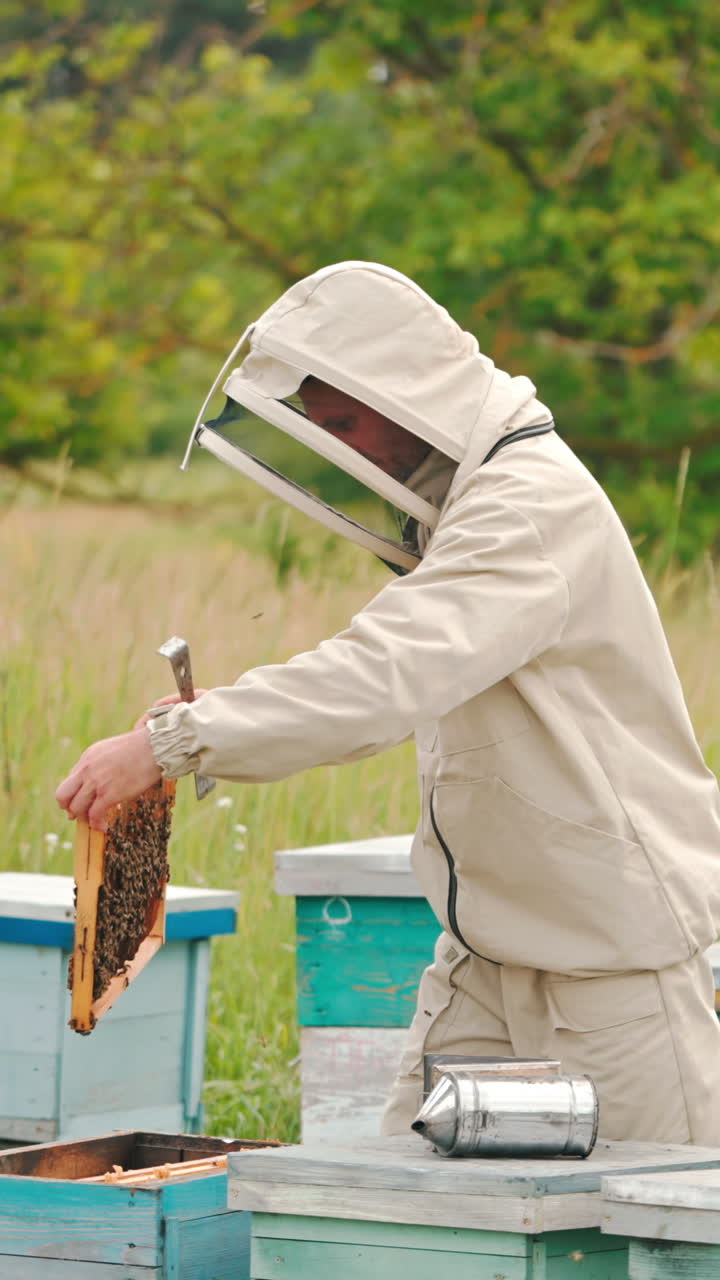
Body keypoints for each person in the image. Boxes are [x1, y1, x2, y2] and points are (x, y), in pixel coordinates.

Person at [56, 261, 720, 1145]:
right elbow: (398, 667)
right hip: (485, 958)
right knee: (398, 1215)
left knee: (650, 1240)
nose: (349, 447)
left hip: (612, 972)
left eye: (344, 421)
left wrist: (178, 740)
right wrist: (214, 721)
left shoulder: (526, 506)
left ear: (400, 385)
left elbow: (384, 673)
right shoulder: (474, 502)